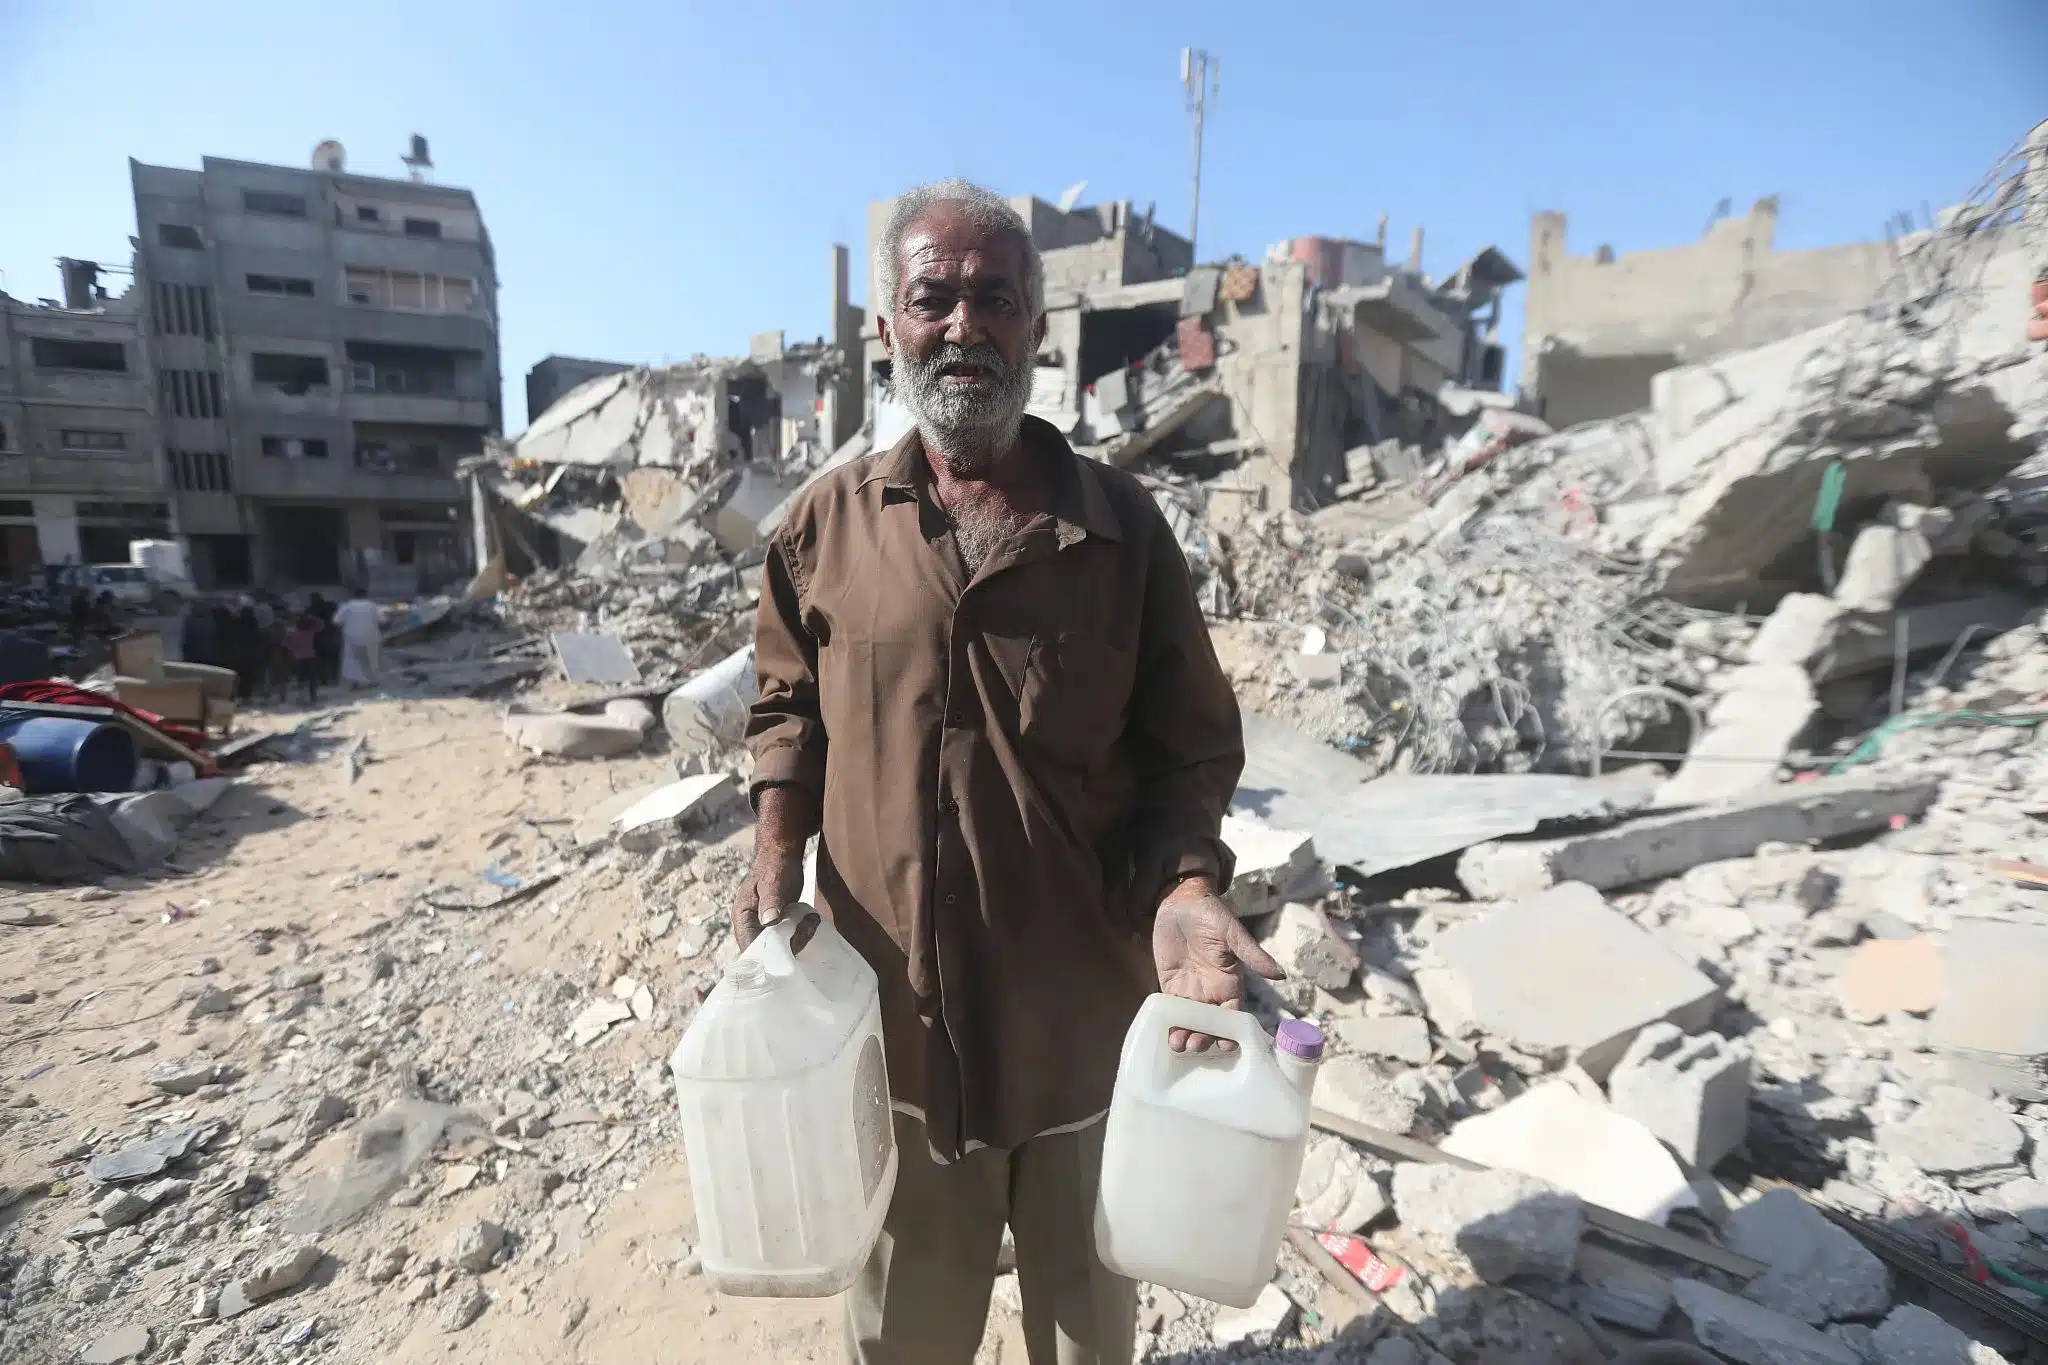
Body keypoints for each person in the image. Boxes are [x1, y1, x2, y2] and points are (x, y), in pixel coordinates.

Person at [737, 180, 1274, 1365]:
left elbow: (1188, 744)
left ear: (1036, 326)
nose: (964, 326)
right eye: (934, 298)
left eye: (996, 298)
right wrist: (776, 851)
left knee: (1088, 1325)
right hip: (901, 1028)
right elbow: (782, 704)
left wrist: (1186, 891)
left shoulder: (1123, 532)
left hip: (1078, 1023)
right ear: (888, 328)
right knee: (906, 1325)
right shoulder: (820, 530)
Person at [332, 592, 381, 688]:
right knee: (371, 658)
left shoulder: (347, 606)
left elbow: (336, 621)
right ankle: (372, 681)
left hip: (351, 636)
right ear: (365, 596)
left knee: (352, 660)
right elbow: (383, 619)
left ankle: (355, 682)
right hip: (371, 636)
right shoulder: (373, 605)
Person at [282, 614, 321, 704]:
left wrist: (291, 650)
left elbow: (285, 644)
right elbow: (320, 626)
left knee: (301, 679)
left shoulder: (292, 633)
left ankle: (301, 697)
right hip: (311, 657)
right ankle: (313, 696)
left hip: (298, 658)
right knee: (312, 679)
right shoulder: (311, 632)